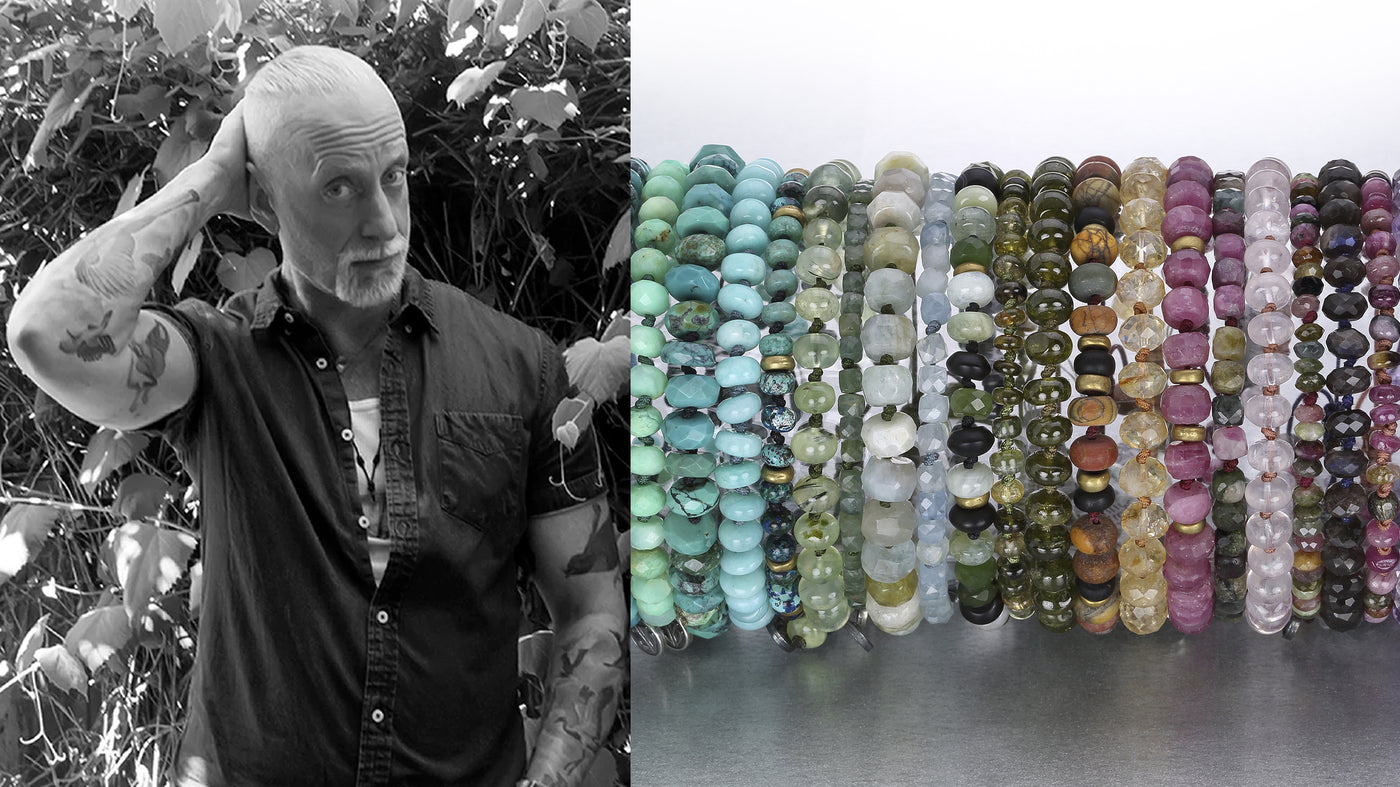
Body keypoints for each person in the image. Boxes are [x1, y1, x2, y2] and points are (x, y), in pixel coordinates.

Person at [6, 45, 625, 786]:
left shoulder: (521, 364)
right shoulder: (216, 360)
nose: (382, 223)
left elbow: (590, 609)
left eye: (392, 178)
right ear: (262, 199)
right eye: (339, 188)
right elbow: (47, 331)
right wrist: (207, 179)